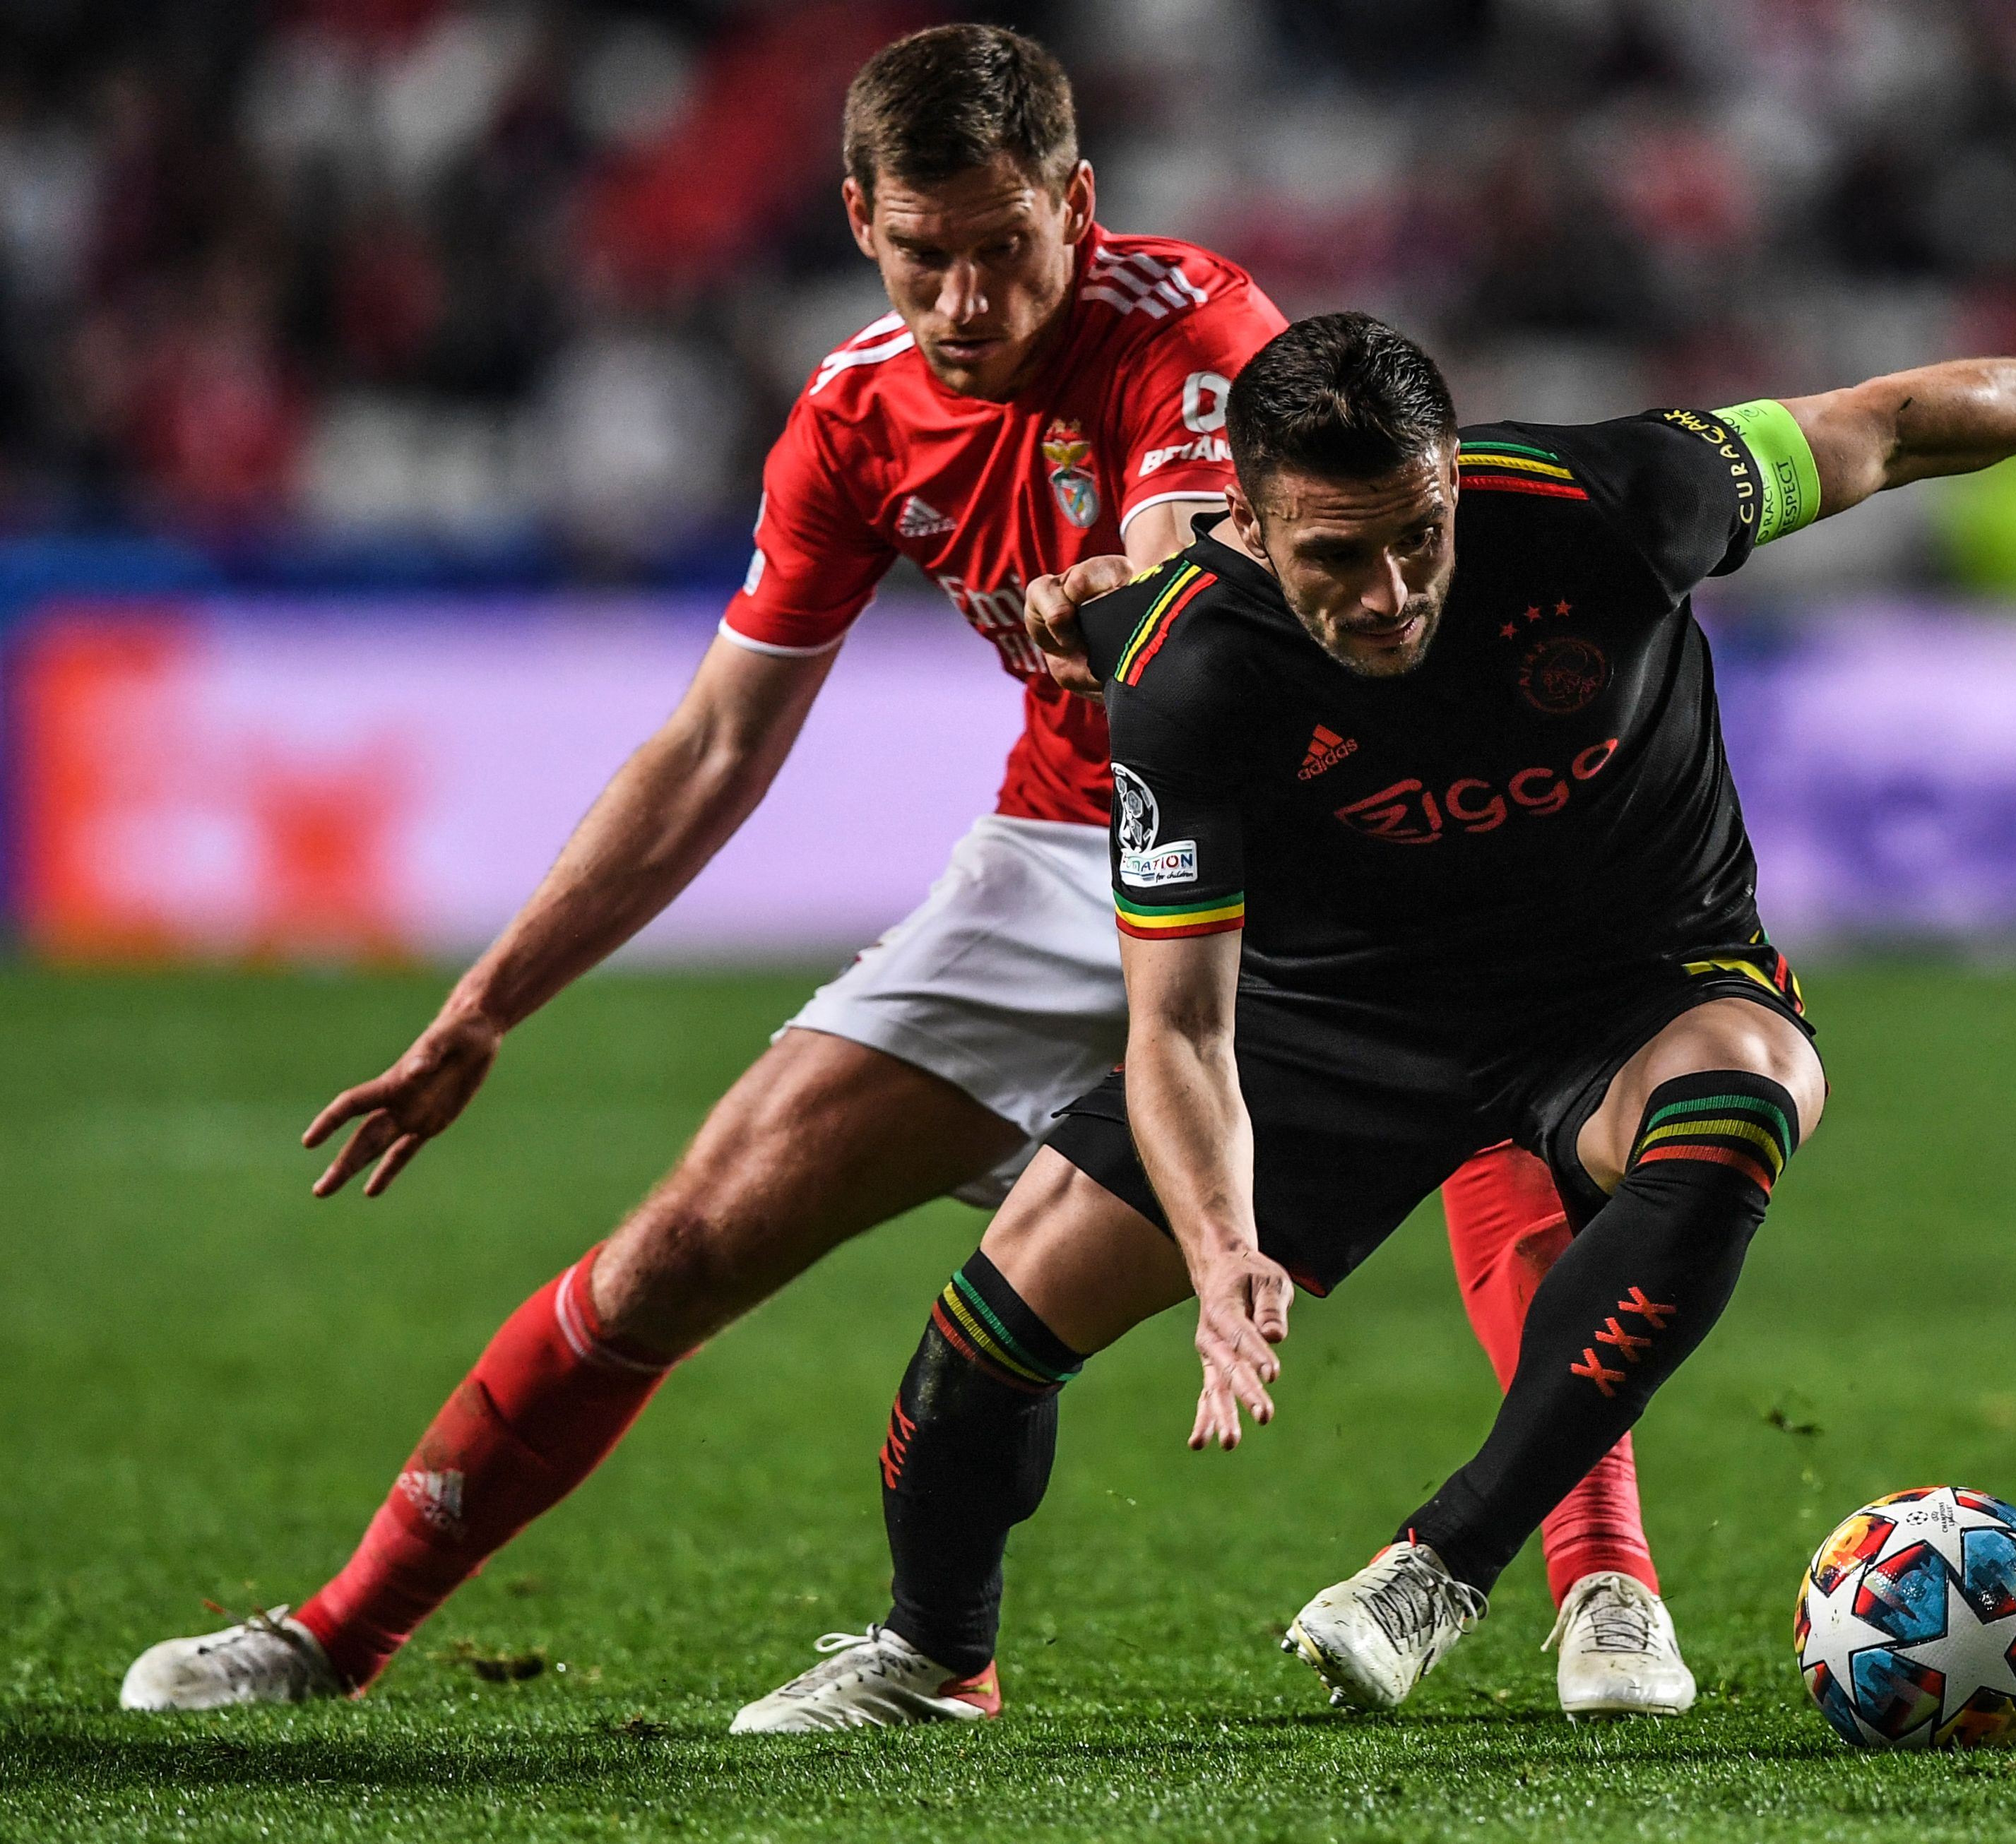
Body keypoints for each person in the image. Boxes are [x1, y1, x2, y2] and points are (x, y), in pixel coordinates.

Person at [121, 25, 1683, 1721]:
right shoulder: (856, 414)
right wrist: (488, 1006)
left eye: (1005, 246)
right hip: (1062, 853)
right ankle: (339, 1634)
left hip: (1309, 845)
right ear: (860, 219)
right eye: (923, 254)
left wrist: (1113, 592)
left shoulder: (1197, 333)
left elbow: (1188, 567)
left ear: (1077, 204)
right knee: (681, 1246)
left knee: (1492, 1128)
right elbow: (717, 747)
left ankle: (1608, 1592)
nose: (966, 299)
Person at [729, 297, 2016, 1726]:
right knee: (985, 1342)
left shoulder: (1614, 499)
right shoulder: (1181, 665)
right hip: (1339, 1022)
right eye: (1337, 557)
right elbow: (1181, 1028)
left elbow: (1892, 424)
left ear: (1455, 477)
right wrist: (1219, 1246)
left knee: (1748, 1096)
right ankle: (935, 1653)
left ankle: (1442, 1562)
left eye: (1420, 535)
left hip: (1633, 983)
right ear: (1242, 523)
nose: (1392, 593)